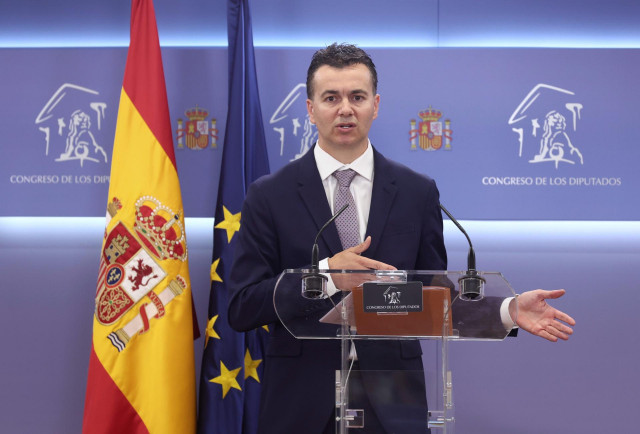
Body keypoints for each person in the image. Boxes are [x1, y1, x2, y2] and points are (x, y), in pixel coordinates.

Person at [227, 43, 576, 434]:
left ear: (375, 105)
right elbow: (242, 306)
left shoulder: (416, 192)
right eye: (331, 98)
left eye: (357, 97)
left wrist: (508, 310)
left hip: (393, 406)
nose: (345, 109)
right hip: (300, 406)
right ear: (311, 109)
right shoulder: (270, 195)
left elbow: (433, 296)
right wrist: (325, 275)